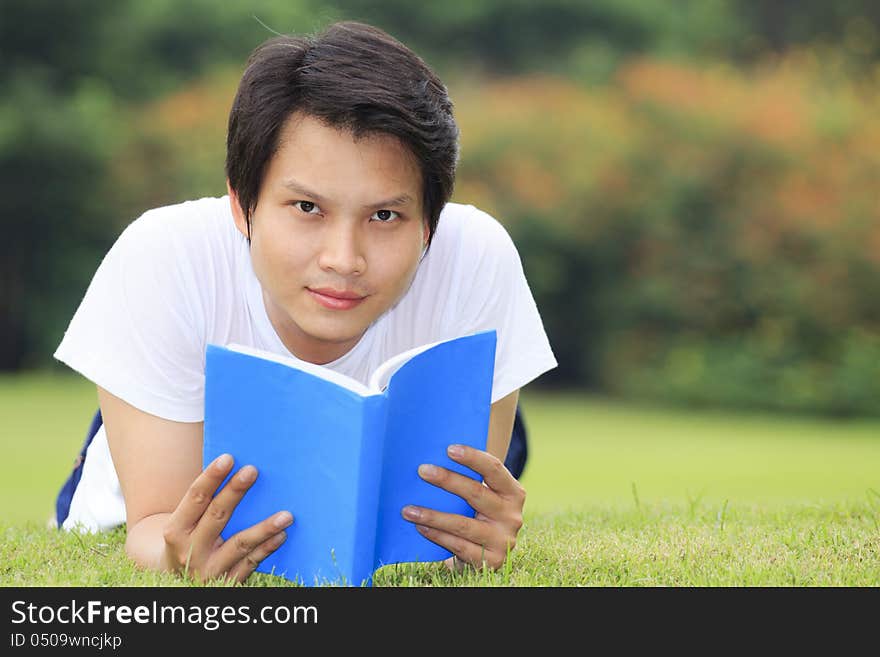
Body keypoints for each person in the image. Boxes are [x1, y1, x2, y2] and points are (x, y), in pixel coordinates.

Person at [53, 21, 556, 584]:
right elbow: (150, 528)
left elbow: (462, 524)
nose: (344, 259)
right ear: (243, 204)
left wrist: (482, 531)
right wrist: (177, 556)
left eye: (384, 216)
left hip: (396, 424)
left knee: (491, 441)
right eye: (307, 208)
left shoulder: (477, 255)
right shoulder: (164, 254)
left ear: (430, 224)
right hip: (175, 420)